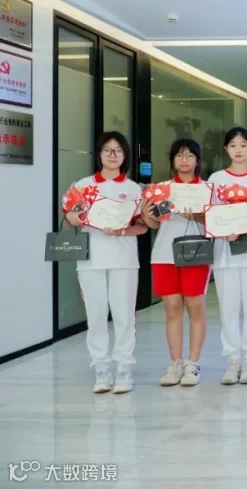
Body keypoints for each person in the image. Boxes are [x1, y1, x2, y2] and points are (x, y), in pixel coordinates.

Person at [64, 131, 146, 394]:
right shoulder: (82, 186)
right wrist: (71, 218)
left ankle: (124, 370)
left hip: (124, 260)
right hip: (91, 260)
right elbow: (69, 220)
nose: (113, 155)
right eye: (107, 150)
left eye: (118, 150)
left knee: (124, 316)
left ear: (125, 156)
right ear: (99, 154)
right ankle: (101, 370)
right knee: (96, 316)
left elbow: (142, 226)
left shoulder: (134, 188)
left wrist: (121, 230)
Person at [141, 138, 209, 387]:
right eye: (179, 155)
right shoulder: (162, 189)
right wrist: (147, 215)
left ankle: (193, 363)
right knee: (171, 308)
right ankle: (176, 362)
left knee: (195, 306)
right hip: (164, 254)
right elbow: (153, 224)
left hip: (196, 253)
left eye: (190, 155)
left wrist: (197, 215)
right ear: (172, 160)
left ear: (197, 160)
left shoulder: (207, 189)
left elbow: (217, 221)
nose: (184, 160)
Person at [208, 127, 247, 385]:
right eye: (233, 145)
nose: (238, 150)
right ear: (226, 149)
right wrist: (226, 229)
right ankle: (233, 359)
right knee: (228, 307)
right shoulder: (216, 178)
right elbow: (211, 214)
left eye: (243, 145)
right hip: (225, 252)